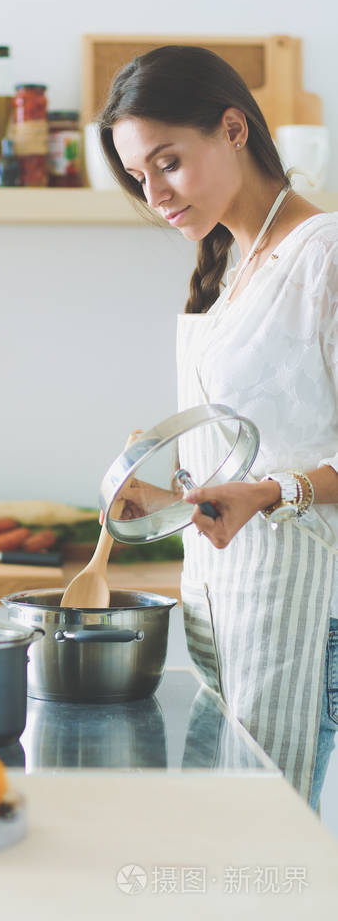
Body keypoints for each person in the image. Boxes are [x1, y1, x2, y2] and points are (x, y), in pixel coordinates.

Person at [98, 45, 338, 809]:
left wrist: (272, 493)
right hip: (223, 611)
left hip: (302, 617)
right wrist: (167, 494)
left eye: (168, 162)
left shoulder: (324, 256)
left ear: (233, 127)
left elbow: (278, 474)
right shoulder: (227, 265)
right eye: (141, 177)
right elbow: (259, 441)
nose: (156, 193)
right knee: (223, 856)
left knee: (265, 863)